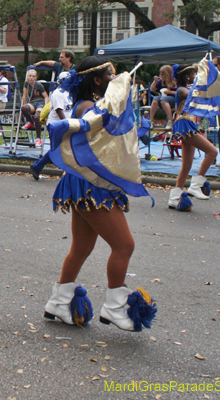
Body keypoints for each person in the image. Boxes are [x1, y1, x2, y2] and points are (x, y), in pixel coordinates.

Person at [43, 56, 156, 332]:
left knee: (81, 248)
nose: (114, 78)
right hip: (91, 185)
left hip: (84, 182)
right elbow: (105, 126)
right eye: (109, 74)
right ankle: (115, 307)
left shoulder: (91, 105)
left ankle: (59, 302)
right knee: (124, 245)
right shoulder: (89, 108)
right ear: (96, 80)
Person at [167, 64, 218, 211]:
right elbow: (191, 95)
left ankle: (174, 197)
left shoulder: (188, 88)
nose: (194, 76)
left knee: (187, 164)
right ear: (187, 76)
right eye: (193, 74)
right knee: (212, 151)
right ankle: (196, 185)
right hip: (184, 124)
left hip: (188, 124)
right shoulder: (181, 90)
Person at [30, 70, 73, 180]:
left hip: (65, 124)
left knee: (61, 149)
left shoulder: (70, 93)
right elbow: (59, 110)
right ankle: (37, 166)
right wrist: (67, 125)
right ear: (62, 81)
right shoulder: (58, 93)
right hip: (56, 125)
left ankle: (37, 166)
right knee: (57, 149)